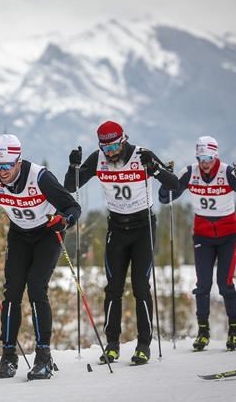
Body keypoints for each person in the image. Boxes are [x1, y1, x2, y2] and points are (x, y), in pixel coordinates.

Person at [0, 134, 81, 380]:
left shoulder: (40, 177)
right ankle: (8, 357)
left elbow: (73, 207)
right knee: (12, 292)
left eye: (7, 165)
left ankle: (43, 357)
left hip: (47, 234)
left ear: (18, 161)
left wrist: (64, 221)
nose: (2, 171)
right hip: (19, 235)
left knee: (36, 287)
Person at [64, 120, 178, 365]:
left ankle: (144, 345)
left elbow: (175, 185)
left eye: (114, 146)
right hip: (116, 228)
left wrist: (154, 169)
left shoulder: (142, 155)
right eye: (105, 148)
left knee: (140, 286)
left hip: (143, 227)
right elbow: (70, 186)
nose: (111, 153)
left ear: (124, 140)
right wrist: (73, 166)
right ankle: (112, 345)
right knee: (113, 288)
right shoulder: (98, 159)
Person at [159, 136, 236, 351]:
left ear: (216, 156)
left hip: (228, 235)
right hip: (202, 236)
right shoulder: (189, 172)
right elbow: (165, 198)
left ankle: (234, 329)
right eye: (201, 158)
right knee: (203, 285)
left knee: (225, 284)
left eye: (209, 158)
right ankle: (203, 332)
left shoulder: (228, 172)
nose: (204, 163)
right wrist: (166, 178)